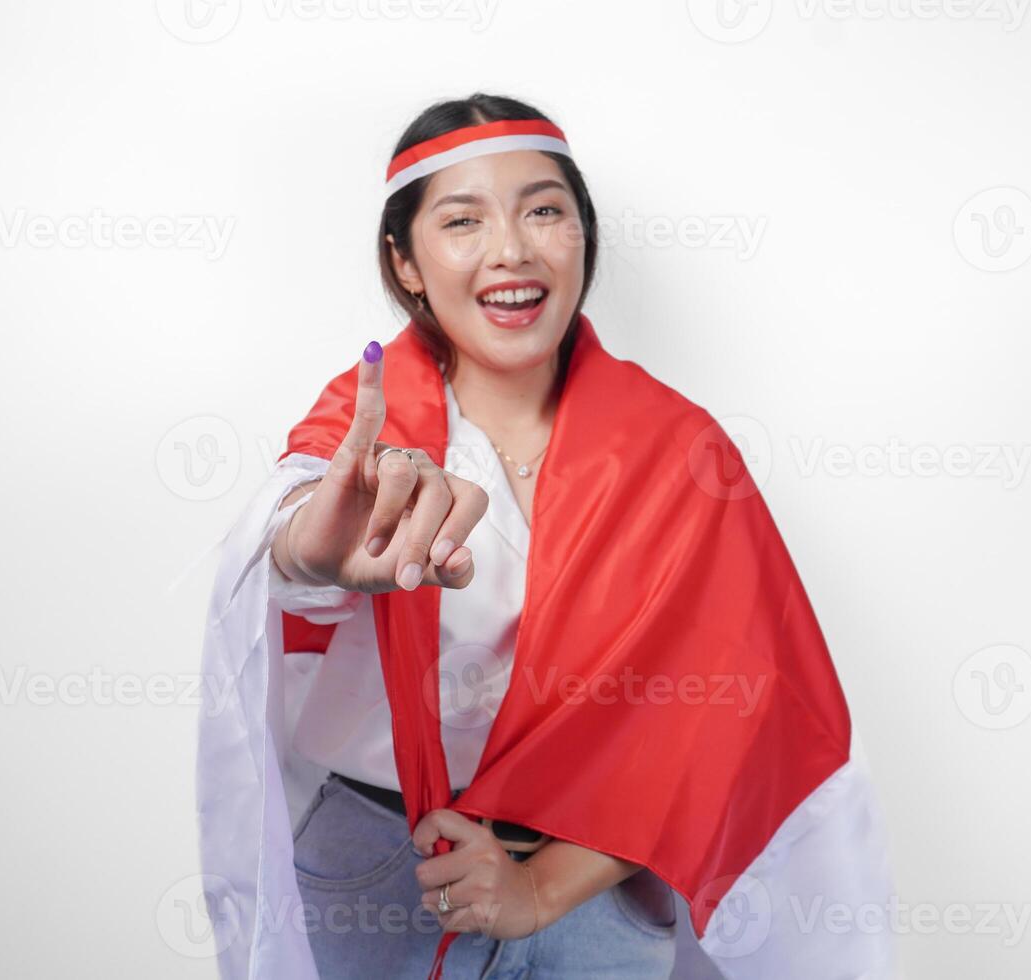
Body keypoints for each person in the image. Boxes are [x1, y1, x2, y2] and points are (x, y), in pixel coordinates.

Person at [196, 93, 896, 980]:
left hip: (598, 888)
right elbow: (294, 533)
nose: (512, 249)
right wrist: (313, 551)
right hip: (377, 871)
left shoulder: (681, 451)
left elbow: (737, 717)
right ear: (405, 262)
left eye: (544, 211)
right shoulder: (365, 436)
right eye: (462, 220)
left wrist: (546, 886)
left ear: (582, 240)